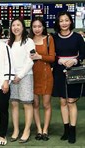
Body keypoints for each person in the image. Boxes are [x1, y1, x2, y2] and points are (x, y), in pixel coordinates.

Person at [52, 11, 85, 144]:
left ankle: (72, 130)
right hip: (59, 72)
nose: (64, 23)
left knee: (71, 101)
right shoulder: (54, 38)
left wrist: (75, 60)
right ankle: (65, 130)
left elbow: (83, 54)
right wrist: (58, 61)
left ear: (70, 21)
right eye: (61, 21)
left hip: (74, 71)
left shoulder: (77, 37)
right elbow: (51, 55)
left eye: (66, 20)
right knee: (63, 102)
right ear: (58, 23)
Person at [8, 17, 35, 143]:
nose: (16, 27)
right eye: (13, 25)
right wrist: (12, 76)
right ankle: (16, 130)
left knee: (27, 104)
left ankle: (27, 130)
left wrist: (20, 75)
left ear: (23, 27)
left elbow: (30, 60)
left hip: (25, 76)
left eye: (18, 25)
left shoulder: (28, 41)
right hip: (12, 78)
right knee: (14, 104)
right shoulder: (9, 43)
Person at [29, 17, 55, 141]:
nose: (37, 29)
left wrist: (40, 56)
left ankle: (45, 130)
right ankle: (39, 130)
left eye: (39, 26)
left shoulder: (49, 39)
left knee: (46, 104)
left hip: (46, 76)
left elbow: (52, 58)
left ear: (43, 27)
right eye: (34, 26)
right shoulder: (28, 40)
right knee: (35, 104)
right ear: (31, 28)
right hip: (31, 76)